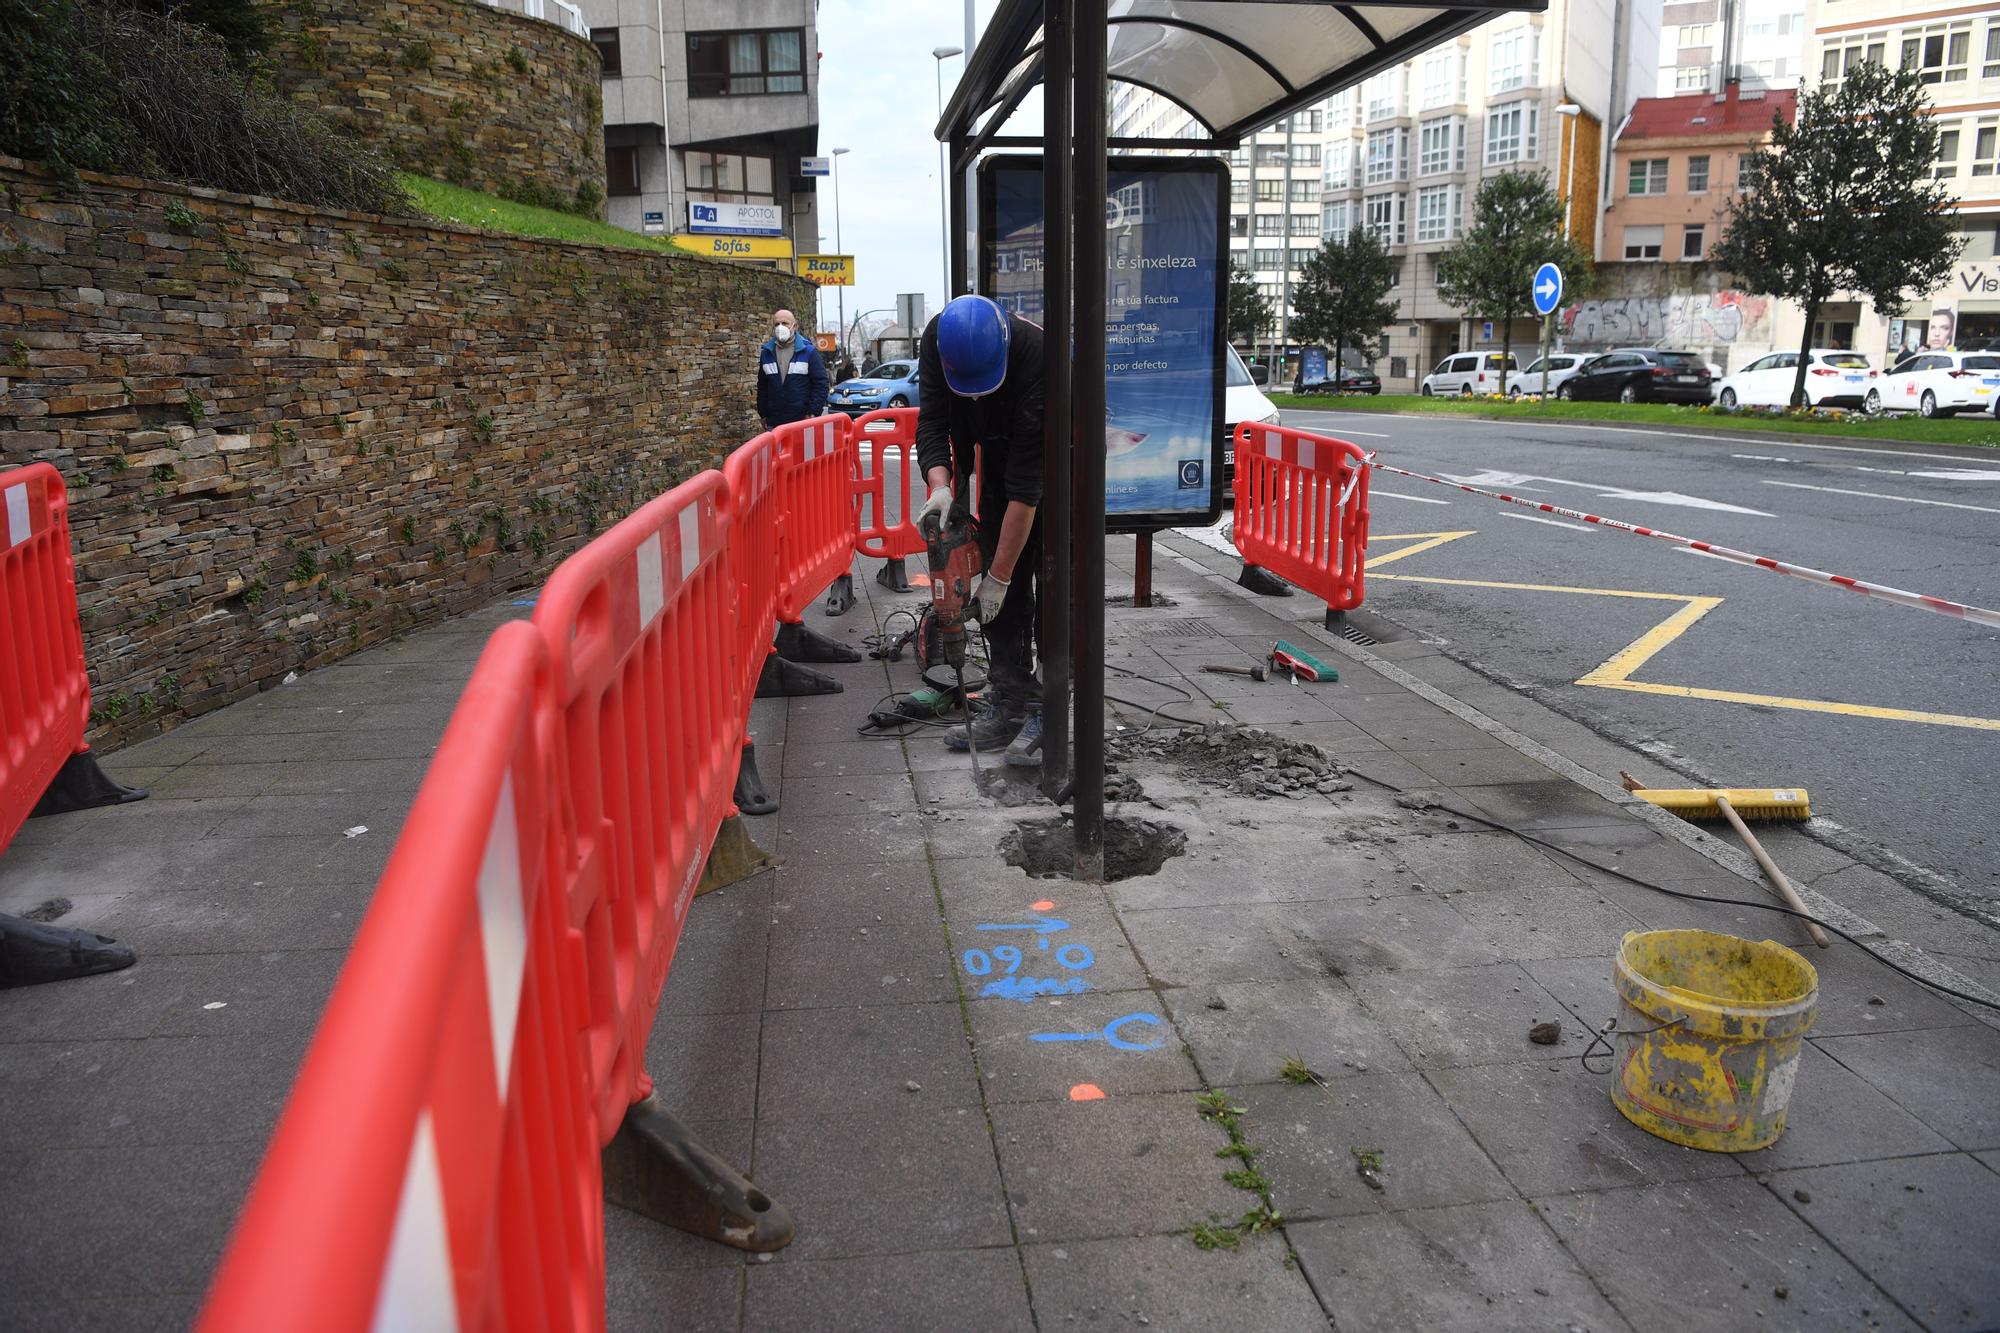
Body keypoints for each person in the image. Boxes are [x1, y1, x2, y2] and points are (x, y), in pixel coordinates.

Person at [915, 295, 1047, 762]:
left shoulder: (1039, 357)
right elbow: (931, 421)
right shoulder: (937, 341)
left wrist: (999, 579)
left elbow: (1028, 489)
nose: (971, 395)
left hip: (1060, 465)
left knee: (1055, 588)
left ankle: (1055, 711)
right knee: (1000, 585)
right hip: (994, 454)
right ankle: (1011, 698)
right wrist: (940, 485)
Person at [756, 309, 828, 429]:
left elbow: (821, 383)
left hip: (802, 421)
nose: (780, 327)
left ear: (795, 326)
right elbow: (763, 386)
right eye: (777, 324)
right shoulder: (767, 353)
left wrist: (812, 412)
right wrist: (763, 413)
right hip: (775, 422)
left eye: (785, 323)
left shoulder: (808, 352)